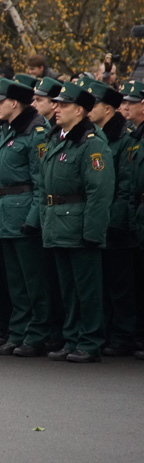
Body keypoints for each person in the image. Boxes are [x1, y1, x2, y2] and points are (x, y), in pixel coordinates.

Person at [40, 82, 114, 362]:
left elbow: (99, 191)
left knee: (87, 290)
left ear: (80, 110)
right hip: (58, 224)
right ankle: (72, 339)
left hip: (80, 225)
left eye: (64, 105)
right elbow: (45, 188)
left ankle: (90, 340)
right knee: (68, 289)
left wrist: (92, 232)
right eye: (56, 104)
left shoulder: (92, 144)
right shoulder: (56, 139)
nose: (57, 109)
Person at [0, 78, 52, 356]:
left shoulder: (35, 132)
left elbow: (41, 180)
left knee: (33, 281)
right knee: (16, 282)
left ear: (14, 103)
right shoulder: (8, 130)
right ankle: (18, 331)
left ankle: (37, 333)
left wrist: (33, 217)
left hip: (25, 213)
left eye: (0, 101)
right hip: (6, 213)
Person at [85, 80, 137, 356]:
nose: (88, 110)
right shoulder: (96, 135)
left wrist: (115, 221)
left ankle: (124, 334)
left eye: (93, 105)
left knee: (120, 283)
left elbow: (124, 186)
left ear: (108, 108)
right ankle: (107, 331)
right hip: (99, 219)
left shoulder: (124, 138)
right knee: (103, 283)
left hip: (115, 221)